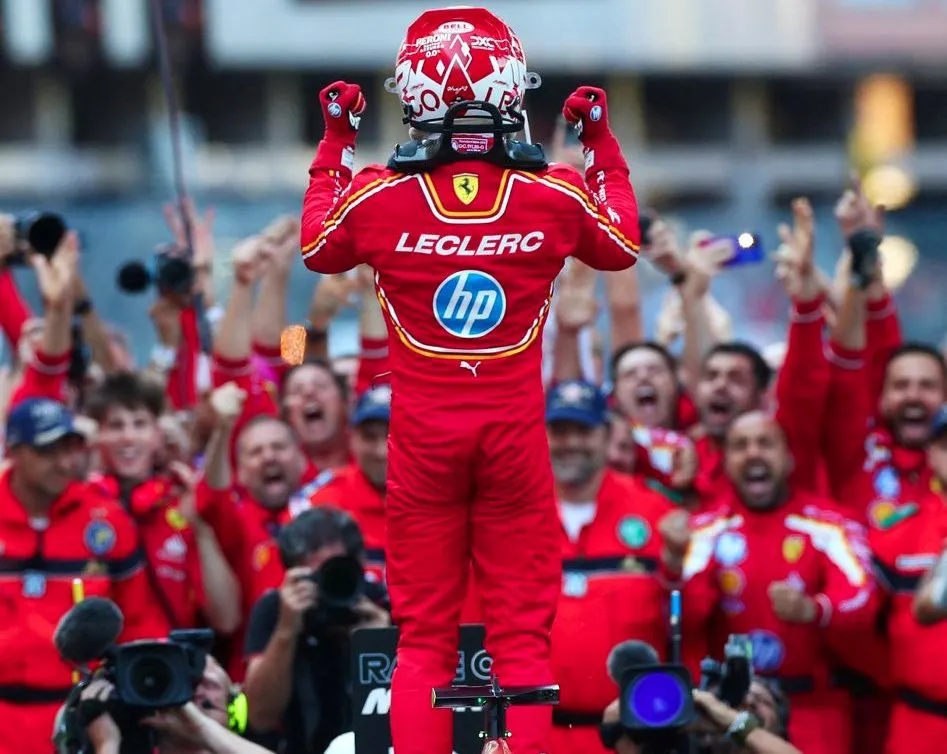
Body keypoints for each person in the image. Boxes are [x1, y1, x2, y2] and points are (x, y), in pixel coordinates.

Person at [298, 8, 642, 754]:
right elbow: (619, 246)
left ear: (414, 93)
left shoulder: (376, 197)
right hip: (515, 442)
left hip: (420, 444)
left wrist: (335, 142)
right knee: (520, 642)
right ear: (512, 87)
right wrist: (600, 146)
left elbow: (318, 249)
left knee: (422, 639)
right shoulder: (552, 193)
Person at [242, 508, 390, 754]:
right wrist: (286, 630)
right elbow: (260, 716)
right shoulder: (277, 609)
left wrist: (380, 644)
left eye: (337, 572)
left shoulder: (378, 604)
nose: (328, 586)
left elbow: (418, 705)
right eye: (318, 576)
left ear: (360, 564)